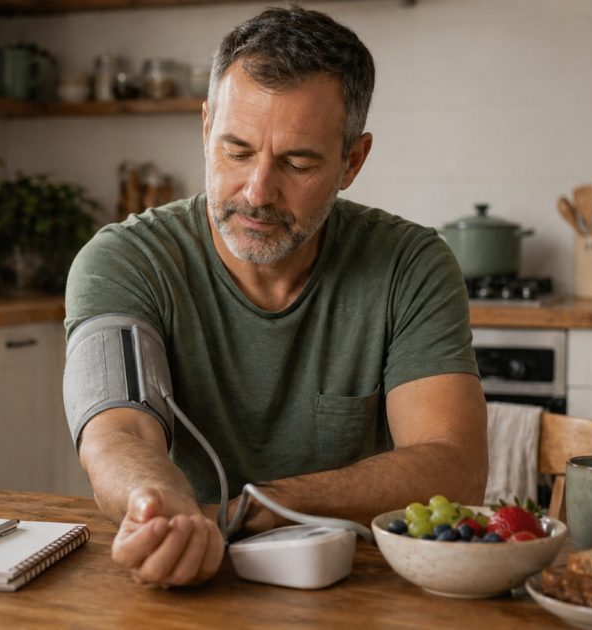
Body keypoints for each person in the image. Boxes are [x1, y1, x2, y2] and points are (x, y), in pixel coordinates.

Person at [63, 5, 488, 588]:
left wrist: (252, 507)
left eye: (297, 162)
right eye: (236, 151)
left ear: (352, 162)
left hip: (358, 588)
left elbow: (455, 466)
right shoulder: (124, 260)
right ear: (206, 128)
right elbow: (118, 432)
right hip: (186, 577)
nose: (257, 192)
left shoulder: (410, 265)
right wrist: (160, 508)